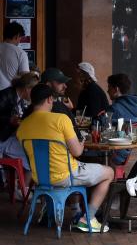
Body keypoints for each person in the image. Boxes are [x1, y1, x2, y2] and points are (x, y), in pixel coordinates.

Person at [18, 84, 114, 233]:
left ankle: (60, 213)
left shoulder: (23, 126)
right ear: (50, 99)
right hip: (66, 175)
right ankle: (87, 219)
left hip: (40, 179)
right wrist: (81, 143)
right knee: (109, 172)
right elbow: (76, 152)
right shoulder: (61, 119)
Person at [0, 72, 38, 170]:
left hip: (9, 137)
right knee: (31, 156)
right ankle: (23, 184)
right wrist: (9, 120)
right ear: (27, 89)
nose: (35, 94)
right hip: (3, 139)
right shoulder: (5, 95)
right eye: (34, 90)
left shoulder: (19, 98)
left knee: (32, 152)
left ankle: (23, 185)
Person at [0, 21, 28, 90]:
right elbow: (25, 78)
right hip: (9, 94)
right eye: (20, 38)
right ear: (17, 36)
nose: (19, 41)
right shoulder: (21, 53)